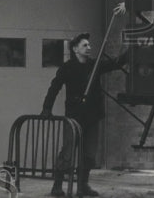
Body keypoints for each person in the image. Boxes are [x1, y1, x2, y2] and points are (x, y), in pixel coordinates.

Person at [40, 33, 126, 197]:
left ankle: (82, 186)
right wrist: (46, 108)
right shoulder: (67, 67)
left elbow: (116, 63)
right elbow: (54, 87)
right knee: (67, 152)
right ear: (75, 49)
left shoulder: (95, 65)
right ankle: (57, 186)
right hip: (74, 117)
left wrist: (129, 52)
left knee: (89, 154)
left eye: (89, 45)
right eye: (84, 45)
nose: (89, 48)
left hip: (92, 117)